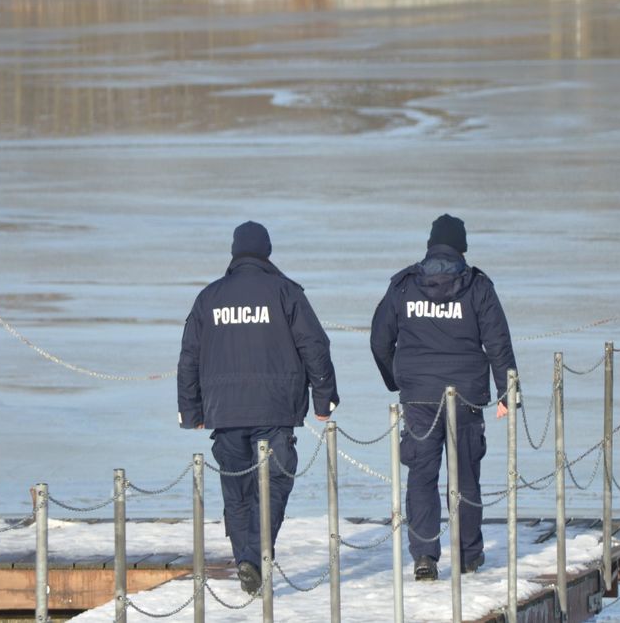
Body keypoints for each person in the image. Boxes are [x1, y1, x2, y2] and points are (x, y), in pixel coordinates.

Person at [178, 221, 339, 595]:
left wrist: (192, 411)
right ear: (266, 251)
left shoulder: (209, 297)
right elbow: (315, 346)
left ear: (234, 252)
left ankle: (246, 561)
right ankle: (253, 557)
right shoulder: (286, 292)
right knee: (275, 483)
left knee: (237, 490)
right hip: (275, 410)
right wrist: (323, 399)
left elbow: (189, 356)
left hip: (225, 412)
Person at [370, 214, 518, 581]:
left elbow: (379, 339)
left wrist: (397, 380)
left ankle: (424, 557)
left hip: (419, 398)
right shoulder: (478, 286)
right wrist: (508, 393)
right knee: (465, 476)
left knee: (421, 477)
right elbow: (498, 342)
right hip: (466, 396)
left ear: (430, 244)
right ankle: (468, 555)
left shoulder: (404, 286)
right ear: (461, 247)